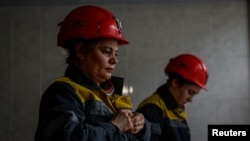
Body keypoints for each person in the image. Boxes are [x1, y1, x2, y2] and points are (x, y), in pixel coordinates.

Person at [34, 5, 152, 141]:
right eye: (107, 52)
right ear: (81, 51)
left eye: (116, 53)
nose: (115, 60)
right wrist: (114, 127)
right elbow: (69, 137)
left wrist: (143, 126)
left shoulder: (109, 93)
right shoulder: (62, 93)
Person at [136, 53, 209, 141]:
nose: (190, 99)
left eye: (194, 94)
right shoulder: (152, 109)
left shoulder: (176, 110)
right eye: (190, 92)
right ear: (175, 82)